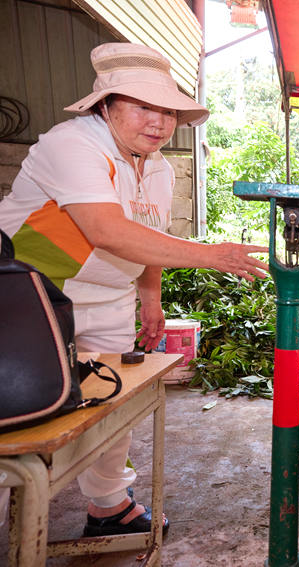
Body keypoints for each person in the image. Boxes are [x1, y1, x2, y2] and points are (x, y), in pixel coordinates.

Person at [0, 43, 268, 536]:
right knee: (18, 414)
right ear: (105, 105)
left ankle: (108, 508)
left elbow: (150, 242)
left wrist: (151, 301)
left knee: (112, 408)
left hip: (109, 300)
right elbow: (106, 229)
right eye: (143, 107)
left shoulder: (159, 167)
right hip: (30, 298)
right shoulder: (75, 144)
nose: (159, 122)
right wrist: (213, 255)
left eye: (167, 111)